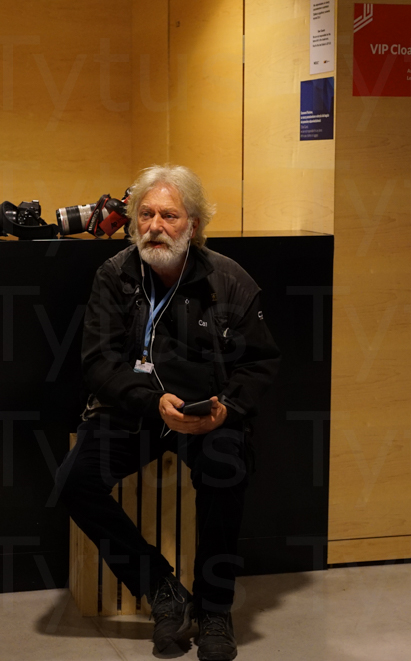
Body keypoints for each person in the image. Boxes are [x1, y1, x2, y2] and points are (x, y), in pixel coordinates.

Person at [55, 165, 280, 660]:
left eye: (169, 216)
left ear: (193, 225)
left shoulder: (230, 280)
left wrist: (227, 408)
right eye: (146, 214)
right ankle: (162, 588)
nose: (155, 225)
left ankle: (214, 609)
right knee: (74, 482)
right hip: (134, 410)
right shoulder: (114, 275)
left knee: (226, 468)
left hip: (206, 415)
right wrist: (150, 400)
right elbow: (98, 363)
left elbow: (260, 362)